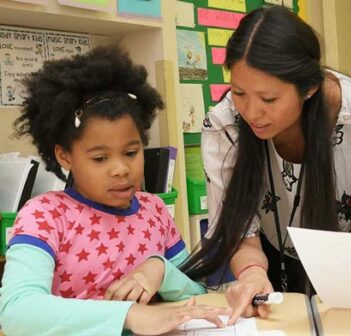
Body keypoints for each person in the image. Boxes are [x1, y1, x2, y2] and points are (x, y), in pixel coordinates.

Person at [180, 5, 351, 325]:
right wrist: (252, 274)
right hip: (273, 260)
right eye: (239, 92)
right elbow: (242, 229)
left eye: (269, 99)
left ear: (309, 88)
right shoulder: (225, 123)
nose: (252, 112)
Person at [0, 45, 228, 335]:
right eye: (100, 158)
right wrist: (128, 315)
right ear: (64, 156)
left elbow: (196, 292)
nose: (121, 169)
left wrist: (160, 269)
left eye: (131, 153)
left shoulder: (154, 211)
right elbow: (17, 312)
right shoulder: (44, 216)